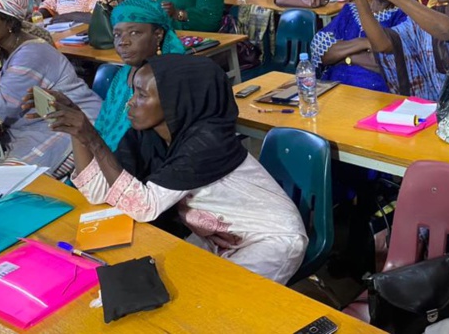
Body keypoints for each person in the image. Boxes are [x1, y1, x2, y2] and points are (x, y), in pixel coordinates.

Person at [36, 55, 308, 283]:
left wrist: (93, 138)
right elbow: (99, 192)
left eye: (142, 95)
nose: (130, 102)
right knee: (170, 287)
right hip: (216, 237)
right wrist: (77, 131)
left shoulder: (206, 141)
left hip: (271, 239)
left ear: (176, 100)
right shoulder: (148, 136)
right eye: (134, 92)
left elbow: (143, 206)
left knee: (221, 305)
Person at [0, 0, 102, 171]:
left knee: (7, 178)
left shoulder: (31, 53)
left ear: (8, 23)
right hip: (27, 130)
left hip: (71, 129)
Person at [312, 0, 416, 91]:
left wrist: (346, 57)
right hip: (335, 88)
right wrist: (365, 43)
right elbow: (324, 53)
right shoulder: (351, 10)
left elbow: (390, 64)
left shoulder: (404, 16)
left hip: (378, 94)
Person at [93, 0, 186, 151]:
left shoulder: (169, 79)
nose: (123, 42)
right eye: (117, 34)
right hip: (105, 157)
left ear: (158, 35)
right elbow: (102, 124)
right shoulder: (122, 75)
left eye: (134, 33)